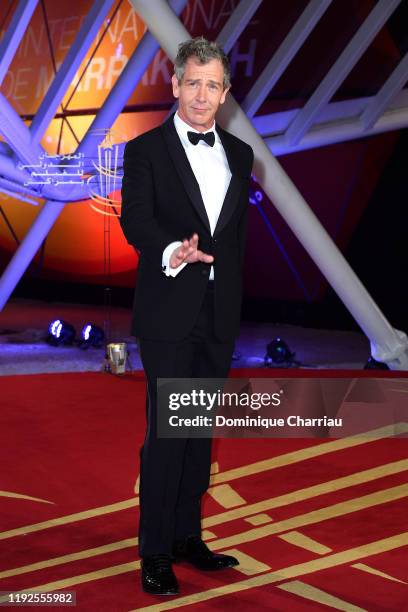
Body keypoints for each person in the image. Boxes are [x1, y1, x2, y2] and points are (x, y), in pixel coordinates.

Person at [120, 37, 254, 596]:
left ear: (225, 93)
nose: (202, 95)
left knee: (199, 433)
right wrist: (172, 250)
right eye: (192, 82)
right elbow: (136, 221)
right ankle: (154, 551)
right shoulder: (147, 149)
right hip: (169, 309)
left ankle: (185, 538)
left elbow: (235, 238)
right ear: (175, 86)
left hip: (218, 315)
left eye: (212, 85)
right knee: (170, 433)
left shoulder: (242, 156)